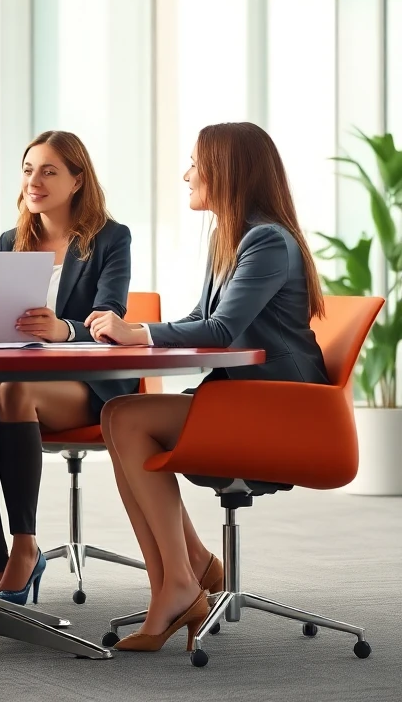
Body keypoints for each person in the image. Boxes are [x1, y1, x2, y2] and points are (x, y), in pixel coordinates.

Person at [90, 122, 329, 652]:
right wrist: (136, 334)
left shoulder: (266, 240)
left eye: (196, 164)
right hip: (244, 395)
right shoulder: (233, 235)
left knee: (126, 417)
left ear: (226, 170)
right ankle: (182, 575)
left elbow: (220, 330)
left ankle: (181, 579)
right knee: (118, 415)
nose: (186, 175)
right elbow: (204, 316)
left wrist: (139, 333)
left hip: (281, 407)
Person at [0, 131, 133, 603]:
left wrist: (65, 330)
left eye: (49, 171)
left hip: (87, 383)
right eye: (29, 170)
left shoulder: (111, 239)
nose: (34, 180)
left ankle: (24, 546)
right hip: (23, 377)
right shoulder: (12, 240)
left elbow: (109, 317)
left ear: (77, 180)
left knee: (11, 391)